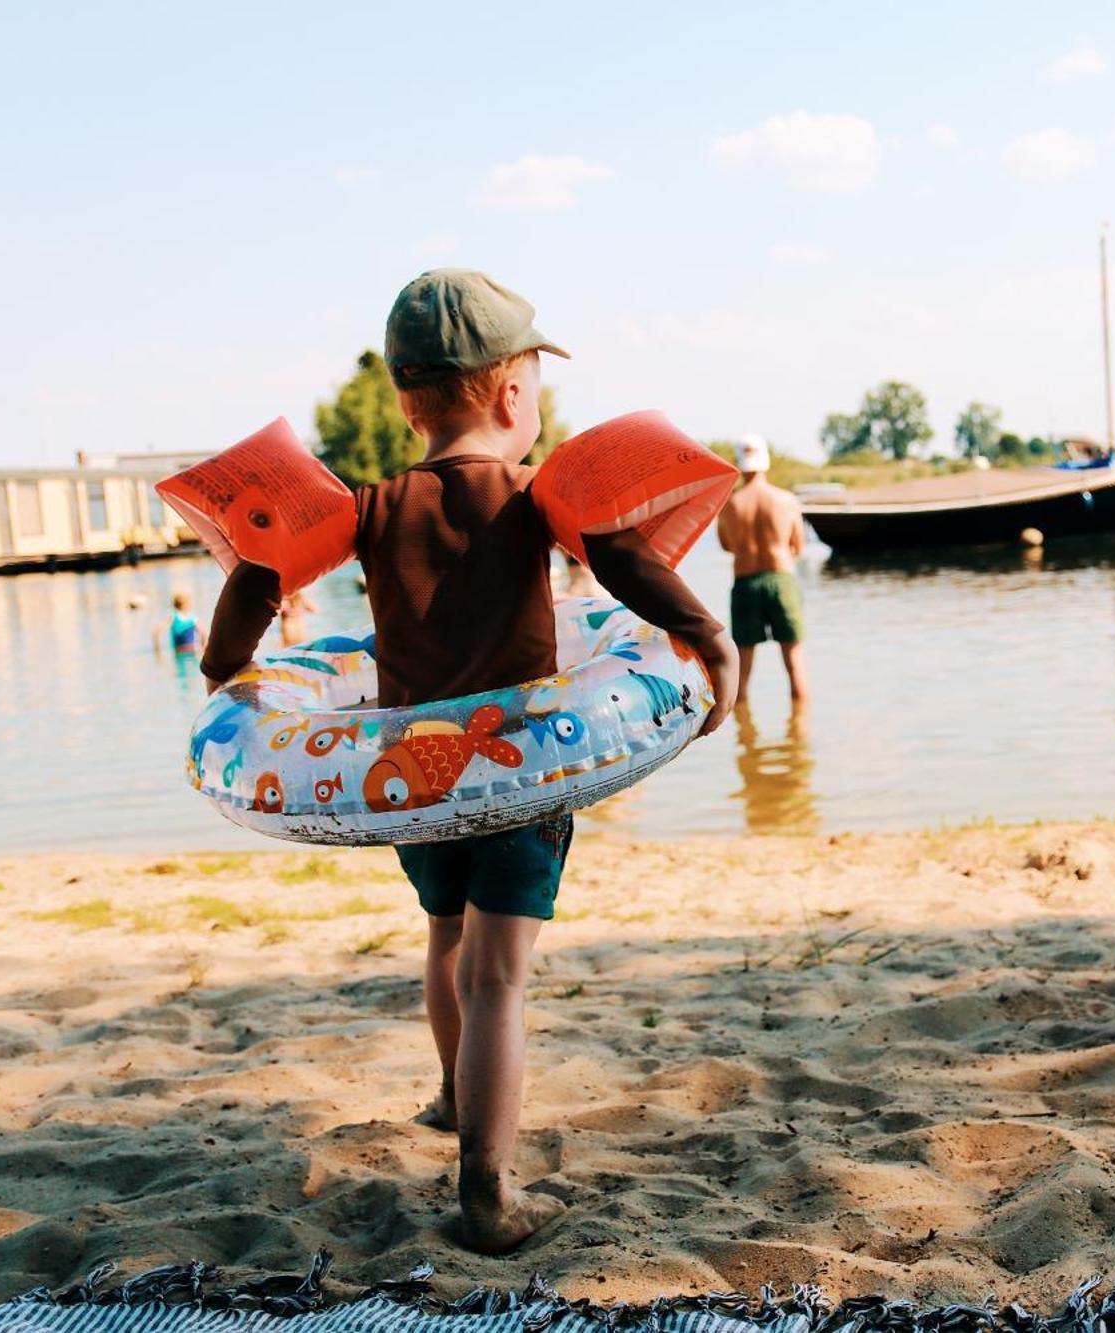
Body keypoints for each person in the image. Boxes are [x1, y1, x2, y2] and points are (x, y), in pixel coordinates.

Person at [199, 268, 739, 1252]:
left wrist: (223, 668)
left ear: (407, 402)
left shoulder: (366, 507)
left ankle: (452, 1095)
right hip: (519, 773)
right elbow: (624, 561)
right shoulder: (533, 497)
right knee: (499, 976)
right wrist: (709, 637)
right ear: (511, 394)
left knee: (445, 934)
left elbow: (262, 573)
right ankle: (487, 1186)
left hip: (409, 780)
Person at [715, 434, 808, 703]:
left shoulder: (729, 504)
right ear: (766, 461)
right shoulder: (786, 500)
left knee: (742, 669)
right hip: (781, 579)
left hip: (745, 583)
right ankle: (799, 738)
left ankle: (746, 737)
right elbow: (797, 546)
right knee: (794, 663)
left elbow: (726, 546)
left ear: (737, 463)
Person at [158, 591, 202, 661]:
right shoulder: (193, 619)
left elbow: (156, 633)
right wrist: (202, 647)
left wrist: (157, 652)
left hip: (178, 651)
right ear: (186, 604)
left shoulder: (173, 618)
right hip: (192, 649)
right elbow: (205, 634)